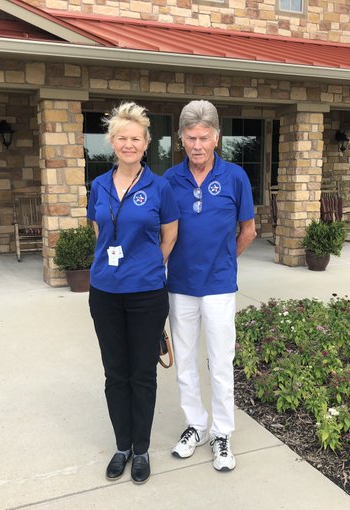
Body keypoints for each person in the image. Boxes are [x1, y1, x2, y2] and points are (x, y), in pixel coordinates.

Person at [87, 102, 179, 484]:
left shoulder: (160, 187)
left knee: (142, 374)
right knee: (115, 373)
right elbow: (99, 230)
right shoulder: (99, 186)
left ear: (146, 143)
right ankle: (122, 445)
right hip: (105, 292)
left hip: (146, 293)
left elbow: (169, 235)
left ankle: (141, 449)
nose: (129, 144)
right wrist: (116, 265)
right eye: (122, 138)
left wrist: (146, 265)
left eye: (136, 138)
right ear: (112, 142)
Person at [163, 100, 256, 472]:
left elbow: (248, 230)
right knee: (185, 362)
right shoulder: (169, 180)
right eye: (191, 138)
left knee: (220, 363)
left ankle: (222, 433)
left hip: (218, 286)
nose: (197, 145)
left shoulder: (235, 177)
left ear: (217, 138)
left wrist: (226, 258)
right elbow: (162, 233)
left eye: (204, 137)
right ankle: (195, 426)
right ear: (181, 139)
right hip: (180, 286)